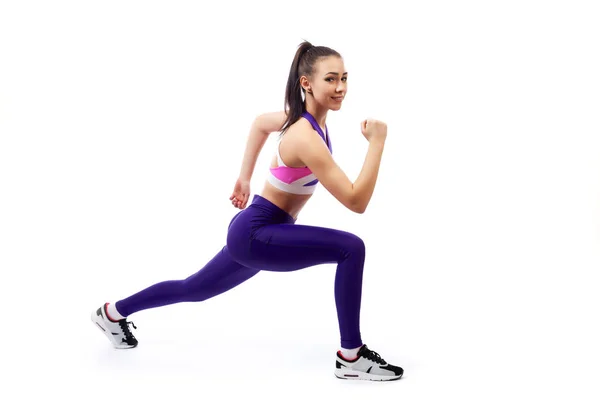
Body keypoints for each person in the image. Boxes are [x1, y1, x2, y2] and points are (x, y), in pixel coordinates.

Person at [91, 40, 403, 381]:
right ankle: (351, 355)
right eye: (331, 79)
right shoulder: (305, 136)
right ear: (306, 83)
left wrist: (243, 179)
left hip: (258, 228)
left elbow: (259, 123)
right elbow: (356, 202)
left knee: (192, 288)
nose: (341, 87)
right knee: (351, 247)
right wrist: (377, 143)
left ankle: (111, 313)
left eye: (344, 78)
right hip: (259, 232)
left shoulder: (301, 120)